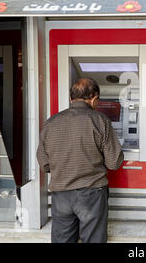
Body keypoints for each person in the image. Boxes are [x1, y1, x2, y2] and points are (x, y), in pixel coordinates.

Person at [36, 78, 124, 243]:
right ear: (94, 99)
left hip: (61, 195)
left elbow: (44, 163)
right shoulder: (100, 120)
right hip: (91, 193)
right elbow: (114, 162)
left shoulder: (51, 123)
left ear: (71, 98)